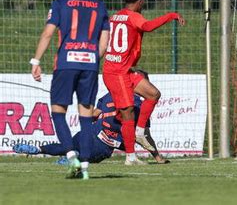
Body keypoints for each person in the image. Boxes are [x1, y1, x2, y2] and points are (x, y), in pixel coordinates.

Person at [30, 0, 110, 180]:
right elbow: (104, 41)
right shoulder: (100, 6)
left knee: (58, 112)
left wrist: (36, 60)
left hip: (66, 64)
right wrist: (93, 59)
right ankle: (84, 166)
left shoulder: (60, 3)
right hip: (89, 65)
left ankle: (71, 156)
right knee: (86, 116)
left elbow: (48, 33)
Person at [13, 71, 169, 177]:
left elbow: (95, 113)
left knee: (66, 147)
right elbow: (143, 135)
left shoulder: (112, 93)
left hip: (91, 132)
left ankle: (39, 149)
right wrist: (157, 157)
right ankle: (75, 160)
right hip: (105, 145)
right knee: (83, 154)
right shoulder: (140, 106)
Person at [102, 0, 185, 165]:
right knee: (127, 113)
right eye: (144, 0)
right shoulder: (134, 16)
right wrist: (171, 15)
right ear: (140, 1)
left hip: (125, 70)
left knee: (153, 94)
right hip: (117, 73)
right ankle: (130, 157)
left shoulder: (115, 16)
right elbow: (147, 26)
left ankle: (139, 131)